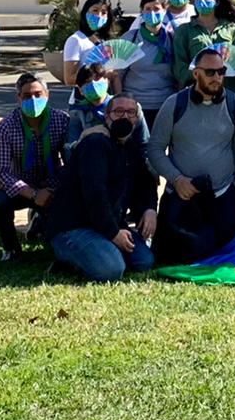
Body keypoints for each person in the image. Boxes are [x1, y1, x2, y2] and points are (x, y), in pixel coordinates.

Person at [148, 47, 235, 264]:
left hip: (223, 195)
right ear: (196, 73)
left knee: (222, 257)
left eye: (221, 72)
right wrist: (176, 179)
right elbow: (155, 149)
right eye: (210, 72)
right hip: (181, 196)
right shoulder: (174, 104)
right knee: (175, 257)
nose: (216, 77)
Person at [45, 93, 158, 282]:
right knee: (111, 270)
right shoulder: (94, 143)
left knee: (144, 261)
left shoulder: (131, 147)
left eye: (131, 112)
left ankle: (97, 252)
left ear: (137, 118)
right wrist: (113, 233)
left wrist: (149, 208)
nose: (125, 117)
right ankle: (66, 256)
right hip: (75, 226)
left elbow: (145, 183)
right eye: (118, 111)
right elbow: (95, 194)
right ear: (107, 116)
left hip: (107, 223)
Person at [0, 72, 69, 261]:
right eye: (26, 96)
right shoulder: (4, 128)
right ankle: (11, 248)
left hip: (51, 185)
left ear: (47, 95)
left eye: (37, 94)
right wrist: (33, 194)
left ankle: (43, 226)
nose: (33, 100)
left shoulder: (62, 120)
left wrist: (54, 189)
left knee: (56, 240)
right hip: (20, 188)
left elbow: (70, 162)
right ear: (18, 98)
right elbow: (0, 174)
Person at [171, 0, 235, 90]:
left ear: (217, 1)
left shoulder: (232, 29)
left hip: (230, 94)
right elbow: (180, 69)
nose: (202, 0)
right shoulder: (184, 31)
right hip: (198, 94)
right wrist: (205, 73)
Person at [120, 0, 179, 128]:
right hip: (134, 105)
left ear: (165, 11)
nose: (152, 13)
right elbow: (118, 74)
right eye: (148, 9)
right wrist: (120, 103)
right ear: (141, 12)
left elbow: (179, 73)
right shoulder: (130, 38)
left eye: (157, 9)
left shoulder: (173, 39)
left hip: (165, 105)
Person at [63, 0, 112, 92]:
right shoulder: (76, 40)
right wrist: (97, 74)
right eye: (95, 10)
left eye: (103, 12)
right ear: (86, 12)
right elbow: (69, 79)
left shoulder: (104, 41)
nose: (99, 16)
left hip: (105, 99)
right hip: (83, 100)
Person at [65, 63, 113, 154]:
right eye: (87, 82)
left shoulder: (124, 107)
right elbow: (71, 148)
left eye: (97, 79)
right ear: (80, 90)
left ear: (107, 81)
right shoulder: (77, 113)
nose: (93, 84)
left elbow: (141, 143)